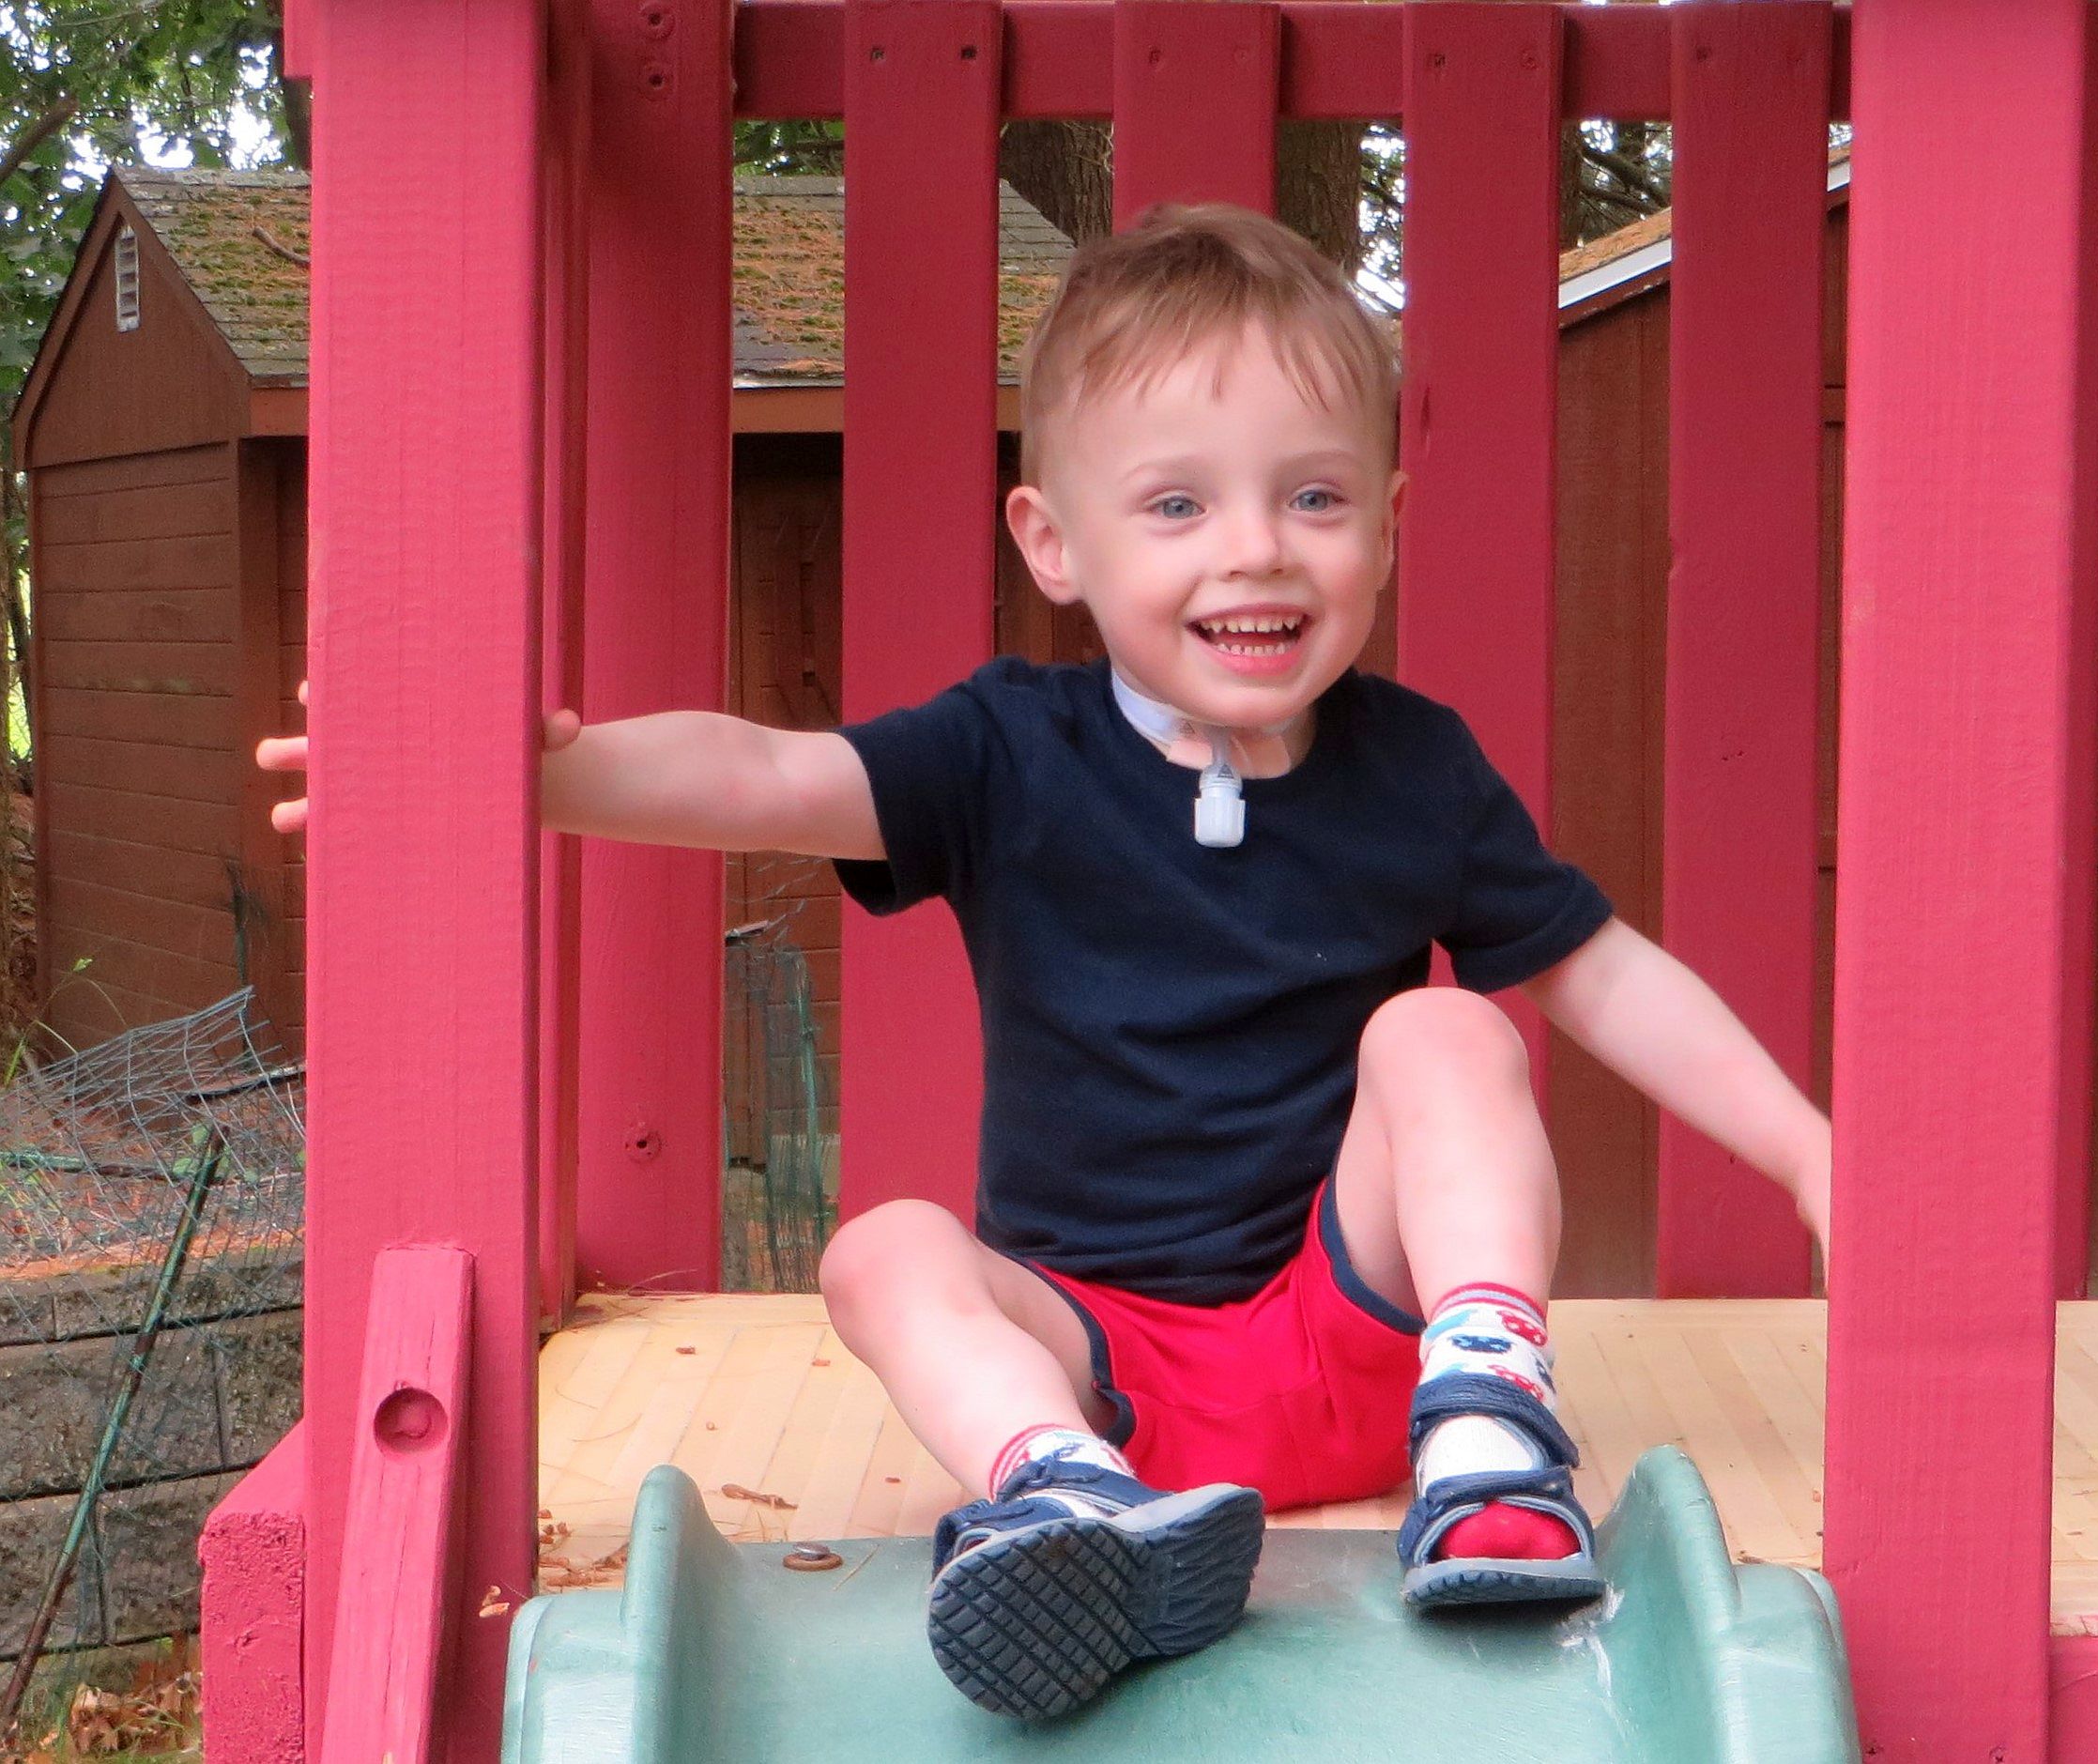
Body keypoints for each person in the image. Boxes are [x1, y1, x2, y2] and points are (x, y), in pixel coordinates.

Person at [258, 203, 1831, 1721]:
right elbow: (763, 773)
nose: (1256, 552)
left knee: (1445, 1032)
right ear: (1055, 541)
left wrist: (1815, 1159)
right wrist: (531, 774)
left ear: (1389, 526)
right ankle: (1064, 1500)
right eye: (1177, 506)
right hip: (1095, 1369)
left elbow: (1604, 974)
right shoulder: (1008, 750)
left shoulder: (1420, 770)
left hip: (1364, 1338)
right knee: (881, 1249)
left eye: (1314, 498)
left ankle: (1494, 1429)